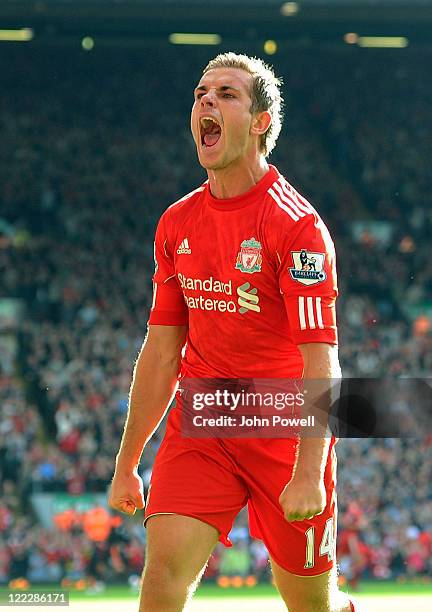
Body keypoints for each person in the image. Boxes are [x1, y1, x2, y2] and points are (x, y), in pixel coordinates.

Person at [109, 52, 357, 612]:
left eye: (226, 93)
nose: (206, 101)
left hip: (284, 428)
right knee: (162, 578)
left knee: (311, 604)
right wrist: (127, 462)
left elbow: (322, 363)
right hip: (207, 420)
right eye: (201, 93)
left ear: (261, 121)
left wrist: (308, 472)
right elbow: (161, 350)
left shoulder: (297, 227)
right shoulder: (176, 224)